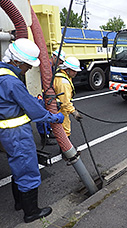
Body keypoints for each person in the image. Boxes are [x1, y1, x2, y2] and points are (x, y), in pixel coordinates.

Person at [0, 38, 64, 223]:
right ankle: (31, 212)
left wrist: (32, 100)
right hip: (17, 133)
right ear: (17, 61)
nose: (28, 69)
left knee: (17, 166)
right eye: (27, 65)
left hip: (6, 133)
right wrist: (54, 117)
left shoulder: (3, 74)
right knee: (27, 168)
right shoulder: (11, 82)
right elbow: (35, 112)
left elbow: (16, 100)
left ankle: (19, 203)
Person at [36, 48, 66, 146]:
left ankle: (49, 132)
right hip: (41, 95)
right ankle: (44, 138)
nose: (60, 63)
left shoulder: (51, 67)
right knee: (42, 115)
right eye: (60, 60)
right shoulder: (46, 66)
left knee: (49, 112)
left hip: (46, 94)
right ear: (54, 57)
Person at [53, 57, 83, 137]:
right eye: (74, 70)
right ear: (67, 69)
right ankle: (65, 149)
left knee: (61, 129)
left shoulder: (62, 75)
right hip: (61, 109)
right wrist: (74, 113)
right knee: (65, 129)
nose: (76, 73)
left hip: (58, 107)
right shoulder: (64, 82)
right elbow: (65, 102)